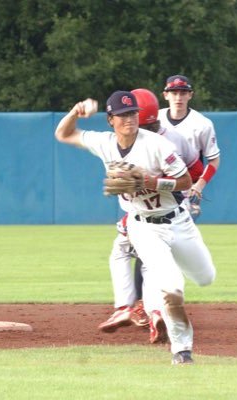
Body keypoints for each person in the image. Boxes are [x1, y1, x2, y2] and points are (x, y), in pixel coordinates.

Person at [55, 90, 216, 365]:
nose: (129, 119)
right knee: (172, 286)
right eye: (122, 115)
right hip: (144, 228)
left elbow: (186, 181)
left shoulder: (156, 145)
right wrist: (74, 111)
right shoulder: (103, 143)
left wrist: (151, 183)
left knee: (205, 277)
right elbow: (64, 134)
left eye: (132, 113)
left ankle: (156, 304)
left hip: (178, 221)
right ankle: (181, 350)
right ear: (110, 120)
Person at [98, 89, 204, 345]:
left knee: (128, 251)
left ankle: (141, 308)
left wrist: (157, 183)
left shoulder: (151, 141)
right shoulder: (171, 136)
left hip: (162, 207)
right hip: (171, 207)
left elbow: (189, 174)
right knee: (149, 259)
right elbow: (197, 168)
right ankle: (150, 309)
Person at [158, 75, 220, 215]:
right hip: (159, 182)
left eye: (183, 93)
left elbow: (214, 159)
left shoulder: (202, 124)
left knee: (182, 231)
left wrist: (199, 186)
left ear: (190, 95)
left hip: (187, 184)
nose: (178, 97)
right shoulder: (155, 119)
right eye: (174, 93)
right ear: (166, 95)